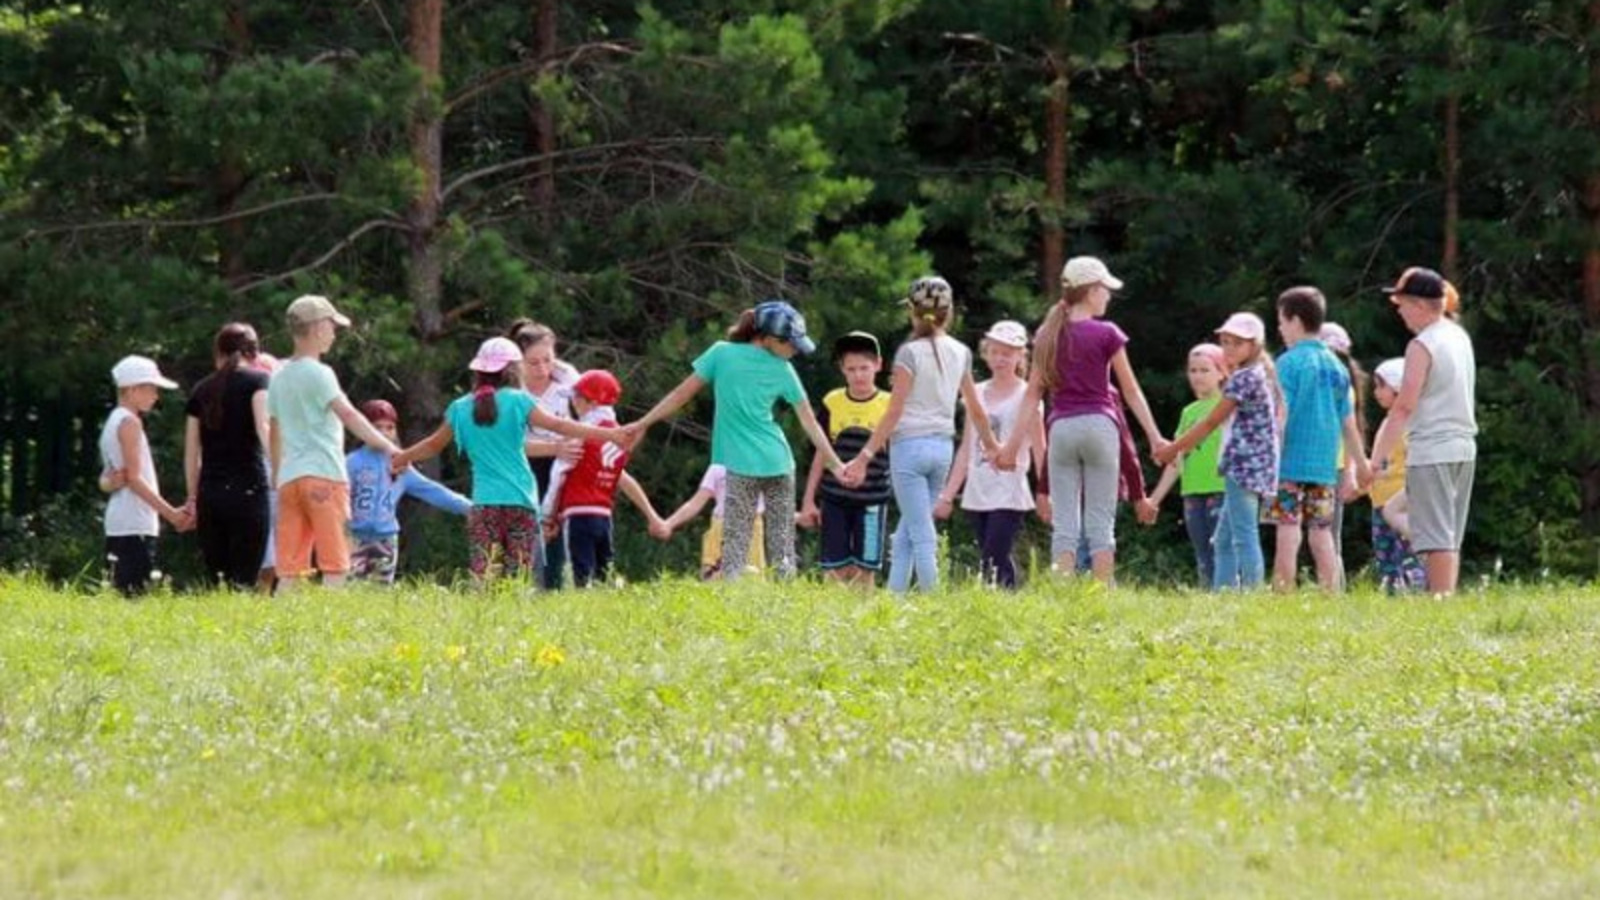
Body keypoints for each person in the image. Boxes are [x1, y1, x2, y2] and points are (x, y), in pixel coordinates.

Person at [622, 300, 852, 582]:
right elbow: (810, 424)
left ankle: (740, 611)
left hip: (740, 466)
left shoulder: (721, 354)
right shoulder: (782, 370)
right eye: (790, 344)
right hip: (778, 463)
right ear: (768, 338)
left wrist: (642, 423)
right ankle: (782, 611)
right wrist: (837, 465)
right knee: (781, 550)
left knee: (735, 552)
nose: (794, 351)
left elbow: (680, 395)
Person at [392, 338, 631, 585]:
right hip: (522, 503)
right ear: (513, 370)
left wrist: (402, 457)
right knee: (518, 579)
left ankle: (483, 622)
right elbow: (559, 425)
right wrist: (610, 434)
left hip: (485, 504)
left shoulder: (460, 408)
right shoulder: (518, 401)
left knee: (484, 578)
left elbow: (432, 445)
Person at [997, 257, 1167, 585]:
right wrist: (1155, 436)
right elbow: (1130, 391)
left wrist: (1011, 446)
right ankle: (1102, 593)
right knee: (1100, 523)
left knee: (1065, 525)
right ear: (1090, 291)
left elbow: (1032, 396)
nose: (1107, 296)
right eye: (1105, 289)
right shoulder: (1107, 333)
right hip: (1100, 426)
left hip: (1061, 430)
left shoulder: (1048, 334)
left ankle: (1063, 590)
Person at [840, 277, 1000, 594]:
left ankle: (933, 597)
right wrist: (993, 446)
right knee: (908, 533)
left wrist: (864, 456)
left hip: (908, 449)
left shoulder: (908, 354)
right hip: (942, 448)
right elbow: (976, 409)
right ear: (948, 312)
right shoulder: (961, 352)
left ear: (912, 313)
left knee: (920, 531)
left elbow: (895, 410)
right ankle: (895, 598)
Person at [267, 295, 402, 592]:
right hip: (325, 476)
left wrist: (277, 475)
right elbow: (349, 415)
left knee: (290, 569)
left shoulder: (278, 378)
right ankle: (333, 624)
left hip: (290, 479)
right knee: (337, 563)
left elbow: (274, 432)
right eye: (331, 326)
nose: (334, 333)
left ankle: (282, 624)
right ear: (316, 329)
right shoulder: (321, 373)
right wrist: (388, 447)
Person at [1363, 267, 1477, 595]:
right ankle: (1444, 596)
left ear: (1421, 304)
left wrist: (1376, 460)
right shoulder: (1458, 336)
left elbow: (1403, 406)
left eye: (1401, 303)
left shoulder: (1422, 345)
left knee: (1434, 534)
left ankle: (1439, 602)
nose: (1398, 311)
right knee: (1449, 533)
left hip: (1432, 449)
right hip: (1463, 446)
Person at [1155, 313, 1281, 590]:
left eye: (1237, 343)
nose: (1229, 349)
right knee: (1222, 540)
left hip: (1243, 466)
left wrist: (1173, 449)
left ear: (1254, 345)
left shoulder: (1243, 379)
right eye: (1225, 342)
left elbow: (1211, 421)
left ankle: (1252, 592)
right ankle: (1223, 593)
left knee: (1243, 534)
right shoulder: (1256, 375)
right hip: (1250, 465)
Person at [1268, 287, 1371, 591]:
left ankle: (1282, 592)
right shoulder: (1336, 367)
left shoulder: (1287, 364)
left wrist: (1269, 453)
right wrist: (1361, 465)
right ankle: (1332, 593)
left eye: (1282, 322)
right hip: (1325, 468)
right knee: (1321, 532)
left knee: (1287, 527)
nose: (1280, 329)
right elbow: (1349, 424)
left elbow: (1281, 415)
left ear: (1296, 320)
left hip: (1289, 464)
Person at [934, 320, 1046, 589]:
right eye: (995, 352)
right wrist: (948, 495)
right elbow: (966, 449)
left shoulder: (1028, 396)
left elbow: (1041, 448)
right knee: (990, 556)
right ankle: (1005, 601)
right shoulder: (977, 393)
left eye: (1007, 353)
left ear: (1021, 355)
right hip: (977, 488)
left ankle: (1000, 601)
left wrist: (1046, 493)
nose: (1000, 359)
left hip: (1010, 490)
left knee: (993, 555)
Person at [540, 370, 664, 587]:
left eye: (577, 397)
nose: (573, 402)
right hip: (604, 516)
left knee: (580, 574)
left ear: (592, 402)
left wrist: (548, 515)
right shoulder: (620, 438)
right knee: (603, 571)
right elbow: (619, 475)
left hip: (577, 513)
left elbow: (558, 475)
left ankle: (584, 610)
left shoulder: (581, 435)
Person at [798, 331, 892, 587]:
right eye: (851, 369)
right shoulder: (832, 401)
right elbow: (821, 452)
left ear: (878, 365)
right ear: (842, 369)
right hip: (834, 498)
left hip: (873, 498)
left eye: (864, 367)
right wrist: (808, 500)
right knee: (834, 566)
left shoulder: (889, 404)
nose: (859, 375)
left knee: (866, 567)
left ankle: (864, 618)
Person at [182, 323, 272, 591]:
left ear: (217, 353)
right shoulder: (259, 382)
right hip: (249, 488)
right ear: (254, 353)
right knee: (244, 580)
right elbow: (263, 428)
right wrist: (281, 470)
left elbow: (191, 452)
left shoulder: (201, 390)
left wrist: (192, 496)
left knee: (217, 581)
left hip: (210, 492)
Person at [346, 399, 472, 585]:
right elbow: (337, 497)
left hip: (386, 538)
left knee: (380, 592)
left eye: (389, 427)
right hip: (355, 537)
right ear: (363, 429)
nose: (384, 433)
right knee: (350, 587)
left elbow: (431, 490)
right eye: (377, 427)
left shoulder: (400, 464)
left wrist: (468, 507)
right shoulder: (351, 462)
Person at [99, 356, 192, 596]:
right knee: (134, 594)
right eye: (150, 389)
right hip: (134, 520)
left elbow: (108, 477)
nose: (155, 395)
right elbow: (134, 478)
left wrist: (109, 483)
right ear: (131, 390)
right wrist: (171, 514)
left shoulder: (113, 421)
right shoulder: (130, 422)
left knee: (121, 591)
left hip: (119, 520)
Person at [1143, 343, 1229, 587]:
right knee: (1202, 552)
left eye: (1205, 370)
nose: (1198, 376)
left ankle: (1229, 597)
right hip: (1192, 492)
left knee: (1223, 550)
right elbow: (1176, 459)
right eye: (1193, 370)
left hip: (1220, 488)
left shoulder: (1228, 405)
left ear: (1222, 372)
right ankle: (1207, 599)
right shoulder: (1188, 412)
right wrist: (1154, 499)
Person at [506, 319, 580, 589]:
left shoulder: (569, 379)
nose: (542, 369)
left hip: (564, 462)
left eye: (547, 360)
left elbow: (589, 417)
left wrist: (569, 446)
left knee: (558, 526)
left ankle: (555, 587)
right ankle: (523, 584)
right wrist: (554, 447)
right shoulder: (510, 391)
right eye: (533, 363)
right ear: (518, 362)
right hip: (524, 464)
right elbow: (508, 444)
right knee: (527, 526)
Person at [1363, 358, 1427, 593]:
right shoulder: (1388, 422)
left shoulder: (1408, 423)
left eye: (1382, 386)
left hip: (1399, 501)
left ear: (1399, 388)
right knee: (1386, 556)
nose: (1376, 392)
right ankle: (1392, 594)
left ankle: (1418, 591)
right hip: (1379, 501)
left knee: (1407, 552)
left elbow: (1413, 458)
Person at [654, 462, 768, 580]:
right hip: (720, 526)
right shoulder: (717, 468)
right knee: (711, 577)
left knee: (752, 577)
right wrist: (669, 524)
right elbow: (695, 503)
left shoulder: (763, 467)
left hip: (751, 527)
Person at [1319, 320, 1369, 576]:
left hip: (1332, 467)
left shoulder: (1343, 388)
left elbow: (1350, 433)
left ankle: (1333, 589)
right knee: (1319, 534)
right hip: (1320, 466)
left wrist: (1350, 472)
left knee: (1326, 535)